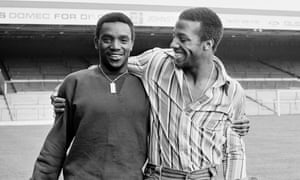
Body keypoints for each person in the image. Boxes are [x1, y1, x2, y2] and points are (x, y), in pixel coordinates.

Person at [53, 7, 250, 179]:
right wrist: (64, 88)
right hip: (159, 175)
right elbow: (107, 67)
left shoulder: (233, 92)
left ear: (207, 44)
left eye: (183, 39)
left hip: (205, 176)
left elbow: (234, 150)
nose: (173, 44)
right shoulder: (157, 62)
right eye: (174, 35)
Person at [31, 12, 150, 180]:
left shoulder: (148, 86)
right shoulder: (74, 83)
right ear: (97, 42)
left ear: (131, 44)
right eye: (107, 39)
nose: (115, 46)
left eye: (123, 40)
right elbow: (55, 145)